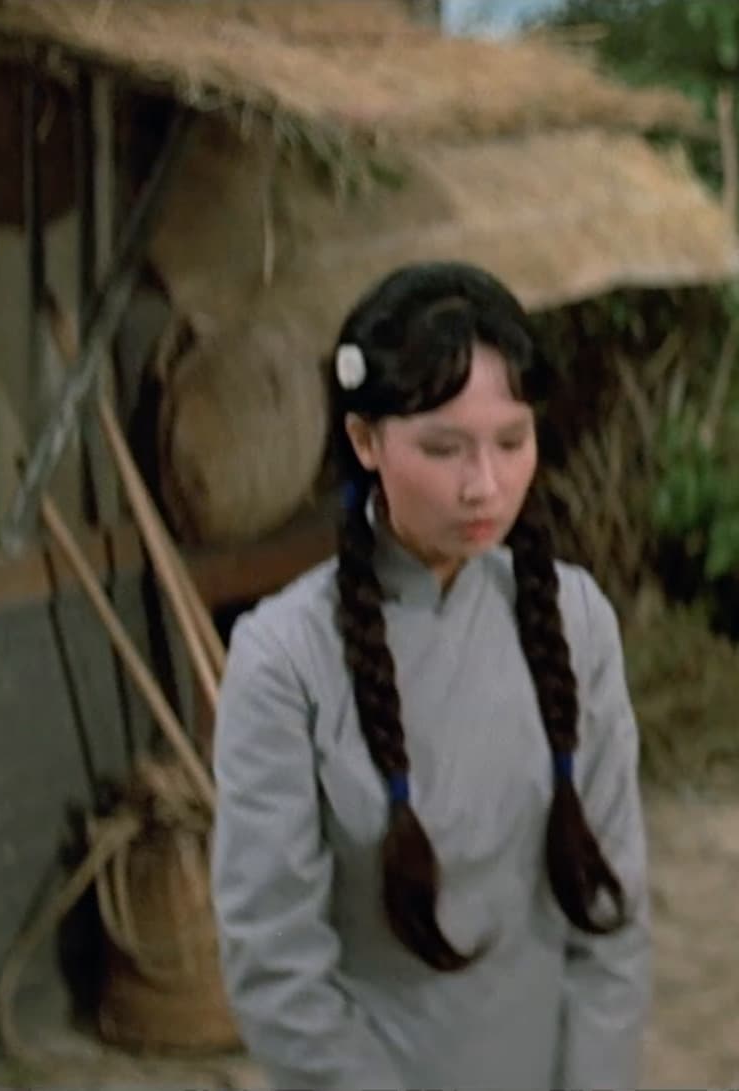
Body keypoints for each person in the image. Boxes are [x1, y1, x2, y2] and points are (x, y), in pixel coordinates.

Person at [210, 261, 650, 1090]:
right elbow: (275, 963)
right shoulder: (284, 658)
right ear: (365, 440)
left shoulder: (576, 620)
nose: (485, 484)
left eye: (511, 442)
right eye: (444, 448)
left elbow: (612, 920)